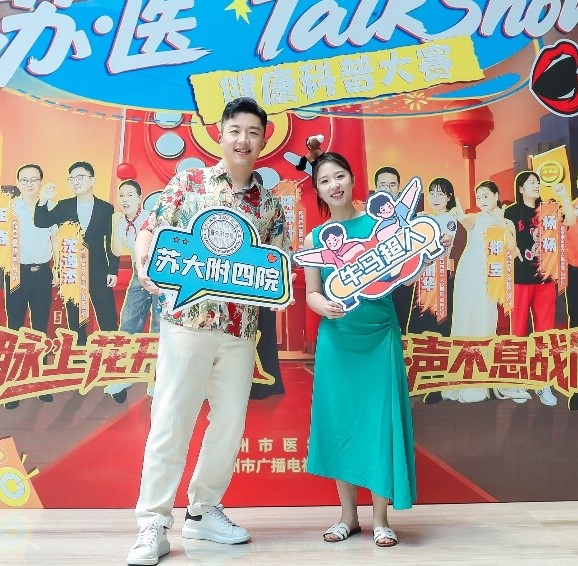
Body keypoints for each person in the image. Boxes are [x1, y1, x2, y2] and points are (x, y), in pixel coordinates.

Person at [126, 97, 289, 566]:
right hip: (186, 322)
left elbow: (276, 264)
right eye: (235, 130)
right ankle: (153, 524)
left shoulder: (269, 204)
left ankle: (203, 511)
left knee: (230, 423)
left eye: (253, 132)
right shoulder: (190, 182)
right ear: (221, 134)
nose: (243, 140)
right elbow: (151, 227)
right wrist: (143, 259)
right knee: (171, 420)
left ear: (264, 139)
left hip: (239, 330)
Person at [303, 152, 416, 548]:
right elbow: (312, 293)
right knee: (341, 424)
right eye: (324, 181)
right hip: (338, 340)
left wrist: (426, 249)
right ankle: (348, 517)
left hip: (379, 335)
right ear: (317, 190)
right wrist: (325, 307)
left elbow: (405, 272)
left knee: (380, 424)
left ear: (352, 179)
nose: (333, 185)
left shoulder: (379, 225)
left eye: (339, 176)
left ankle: (381, 519)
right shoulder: (314, 239)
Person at [449, 180, 529, 403]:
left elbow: (512, 249)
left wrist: (502, 224)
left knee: (486, 320)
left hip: (491, 277)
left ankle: (483, 378)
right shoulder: (476, 218)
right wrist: (460, 214)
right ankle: (462, 378)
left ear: (496, 195)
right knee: (466, 318)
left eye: (485, 196)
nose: (481, 201)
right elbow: (466, 221)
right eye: (478, 197)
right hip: (469, 273)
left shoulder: (507, 222)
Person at [503, 171, 576, 406]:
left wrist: (563, 196)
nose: (536, 185)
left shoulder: (548, 209)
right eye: (531, 182)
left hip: (545, 280)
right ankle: (519, 380)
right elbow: (505, 237)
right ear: (521, 188)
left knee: (545, 333)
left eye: (537, 182)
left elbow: (571, 221)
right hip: (520, 279)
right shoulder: (511, 212)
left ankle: (543, 382)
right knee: (518, 331)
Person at [34, 161, 119, 346]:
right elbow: (41, 222)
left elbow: (111, 242)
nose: (75, 182)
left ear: (92, 180)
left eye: (80, 177)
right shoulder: (64, 206)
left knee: (107, 314)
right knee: (75, 316)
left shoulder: (106, 208)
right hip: (72, 269)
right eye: (71, 178)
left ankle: (111, 351)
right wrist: (43, 200)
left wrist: (113, 270)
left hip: (98, 269)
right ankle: (79, 352)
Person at [3, 164, 58, 409]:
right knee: (14, 327)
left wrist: (57, 268)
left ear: (41, 182)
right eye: (24, 180)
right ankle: (12, 386)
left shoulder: (50, 208)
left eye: (33, 179)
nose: (29, 184)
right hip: (16, 273)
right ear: (17, 182)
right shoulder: (8, 209)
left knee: (39, 328)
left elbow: (55, 239)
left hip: (42, 273)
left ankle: (39, 383)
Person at [105, 179, 159, 403]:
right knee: (128, 322)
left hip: (159, 275)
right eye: (122, 195)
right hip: (139, 275)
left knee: (158, 327)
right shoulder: (120, 222)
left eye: (129, 195)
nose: (125, 199)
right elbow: (117, 250)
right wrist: (114, 226)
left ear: (139, 198)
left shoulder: (150, 218)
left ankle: (156, 380)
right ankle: (123, 376)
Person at [371, 166, 415, 333]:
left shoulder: (411, 217)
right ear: (376, 188)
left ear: (398, 188)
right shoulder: (366, 218)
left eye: (392, 185)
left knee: (399, 327)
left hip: (402, 280)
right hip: (375, 280)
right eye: (383, 185)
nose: (388, 189)